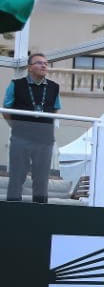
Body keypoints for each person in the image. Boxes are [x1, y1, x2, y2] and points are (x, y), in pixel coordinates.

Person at [4, 52, 61, 203]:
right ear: (30, 68)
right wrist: (16, 126)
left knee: (41, 180)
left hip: (44, 141)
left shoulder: (54, 87)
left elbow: (55, 110)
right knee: (16, 177)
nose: (44, 65)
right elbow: (6, 109)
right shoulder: (16, 84)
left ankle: (40, 216)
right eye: (39, 63)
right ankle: (13, 211)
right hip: (20, 138)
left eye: (45, 63)